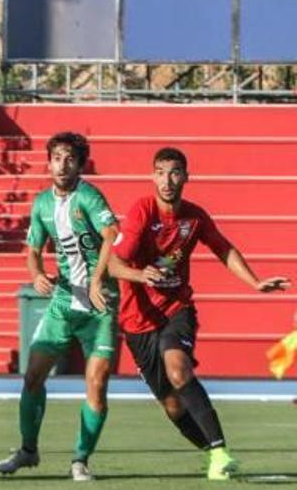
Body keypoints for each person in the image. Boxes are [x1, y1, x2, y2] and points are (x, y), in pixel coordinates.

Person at [106, 147, 291, 480]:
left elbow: (224, 248)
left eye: (175, 172)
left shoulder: (194, 217)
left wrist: (255, 282)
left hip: (177, 309)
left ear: (186, 177)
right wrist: (141, 274)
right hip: (137, 320)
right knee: (172, 405)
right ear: (152, 176)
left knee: (178, 368)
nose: (167, 180)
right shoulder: (141, 213)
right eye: (161, 172)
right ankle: (212, 455)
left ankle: (221, 452)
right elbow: (114, 264)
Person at [0, 132, 119, 481]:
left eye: (70, 159)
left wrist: (96, 280)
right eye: (57, 158)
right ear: (48, 162)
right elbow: (33, 250)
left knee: (96, 384)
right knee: (32, 376)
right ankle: (28, 450)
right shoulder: (41, 204)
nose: (62, 165)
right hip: (63, 303)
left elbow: (112, 233)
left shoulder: (89, 197)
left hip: (99, 304)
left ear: (80, 165)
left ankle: (80, 460)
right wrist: (36, 275)